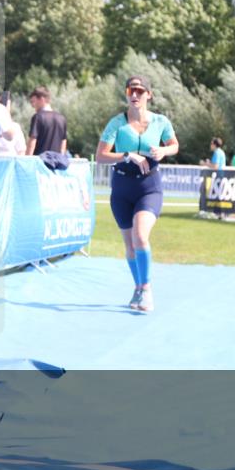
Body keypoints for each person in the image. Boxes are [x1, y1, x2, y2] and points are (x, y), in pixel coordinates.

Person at [95, 75, 179, 313]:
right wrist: (127, 155)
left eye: (140, 91)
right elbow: (101, 155)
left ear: (148, 95)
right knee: (130, 245)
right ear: (126, 93)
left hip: (149, 187)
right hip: (121, 188)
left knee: (140, 236)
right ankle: (138, 287)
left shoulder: (161, 121)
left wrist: (164, 150)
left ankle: (147, 289)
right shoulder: (116, 124)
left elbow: (174, 145)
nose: (135, 95)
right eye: (131, 90)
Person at [27, 86, 67, 156]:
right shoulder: (61, 118)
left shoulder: (38, 117)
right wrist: (61, 158)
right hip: (56, 163)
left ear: (42, 99)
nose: (33, 105)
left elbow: (32, 141)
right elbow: (63, 142)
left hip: (40, 162)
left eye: (33, 102)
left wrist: (27, 160)